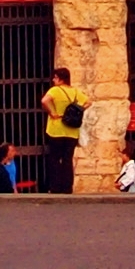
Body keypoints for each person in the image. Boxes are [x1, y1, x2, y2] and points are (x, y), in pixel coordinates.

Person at [40, 64, 88, 196]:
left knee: (55, 158)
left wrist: (53, 112)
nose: (53, 80)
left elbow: (44, 100)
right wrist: (77, 110)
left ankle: (55, 187)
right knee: (67, 159)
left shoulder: (55, 91)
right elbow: (88, 102)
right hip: (72, 131)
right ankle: (67, 187)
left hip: (56, 128)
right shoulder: (75, 92)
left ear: (60, 79)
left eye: (55, 78)